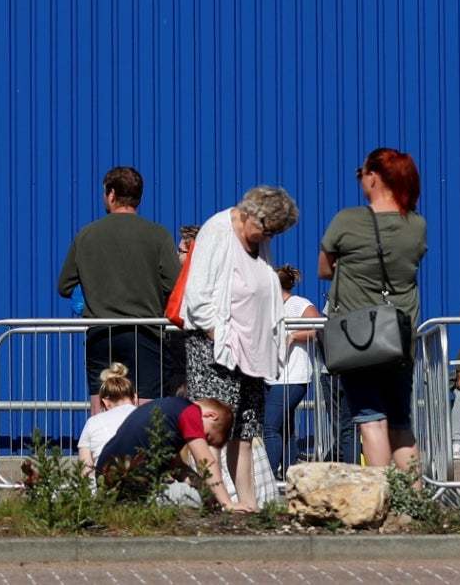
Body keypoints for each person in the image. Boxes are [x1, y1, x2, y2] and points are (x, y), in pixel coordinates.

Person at [179, 185, 297, 510]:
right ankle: (216, 503)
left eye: (274, 232)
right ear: (249, 213)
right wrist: (220, 337)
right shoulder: (218, 231)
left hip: (250, 353)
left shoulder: (261, 242)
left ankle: (248, 503)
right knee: (213, 430)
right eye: (265, 228)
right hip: (214, 350)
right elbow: (197, 294)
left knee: (244, 432)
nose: (266, 236)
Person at [319, 147, 428, 471]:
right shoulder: (416, 225)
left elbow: (324, 269)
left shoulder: (348, 220)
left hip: (358, 337)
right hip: (398, 334)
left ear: (375, 177)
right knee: (400, 422)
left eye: (363, 174)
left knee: (371, 419)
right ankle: (413, 505)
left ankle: (380, 499)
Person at [58, 165, 182, 402]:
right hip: (146, 332)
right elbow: (176, 286)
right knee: (146, 411)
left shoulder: (87, 235)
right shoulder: (158, 235)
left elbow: (64, 286)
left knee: (101, 406)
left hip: (101, 333)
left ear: (112, 194)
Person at [86, 392, 242, 508]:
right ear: (211, 415)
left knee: (200, 496)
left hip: (109, 476)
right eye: (207, 436)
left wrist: (207, 492)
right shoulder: (190, 412)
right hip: (131, 482)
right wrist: (227, 503)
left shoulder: (170, 411)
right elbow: (206, 462)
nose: (202, 440)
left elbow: (178, 468)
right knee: (193, 500)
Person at [265, 264, 322, 473]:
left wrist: (293, 336)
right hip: (271, 377)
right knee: (284, 429)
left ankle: (268, 479)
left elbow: (318, 328)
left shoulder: (298, 304)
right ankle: (289, 476)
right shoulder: (268, 308)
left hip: (292, 377)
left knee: (269, 427)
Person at [77, 359, 145, 468]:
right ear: (135, 398)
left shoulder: (92, 422)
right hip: (140, 480)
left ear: (105, 402)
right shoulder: (148, 418)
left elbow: (85, 468)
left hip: (104, 481)